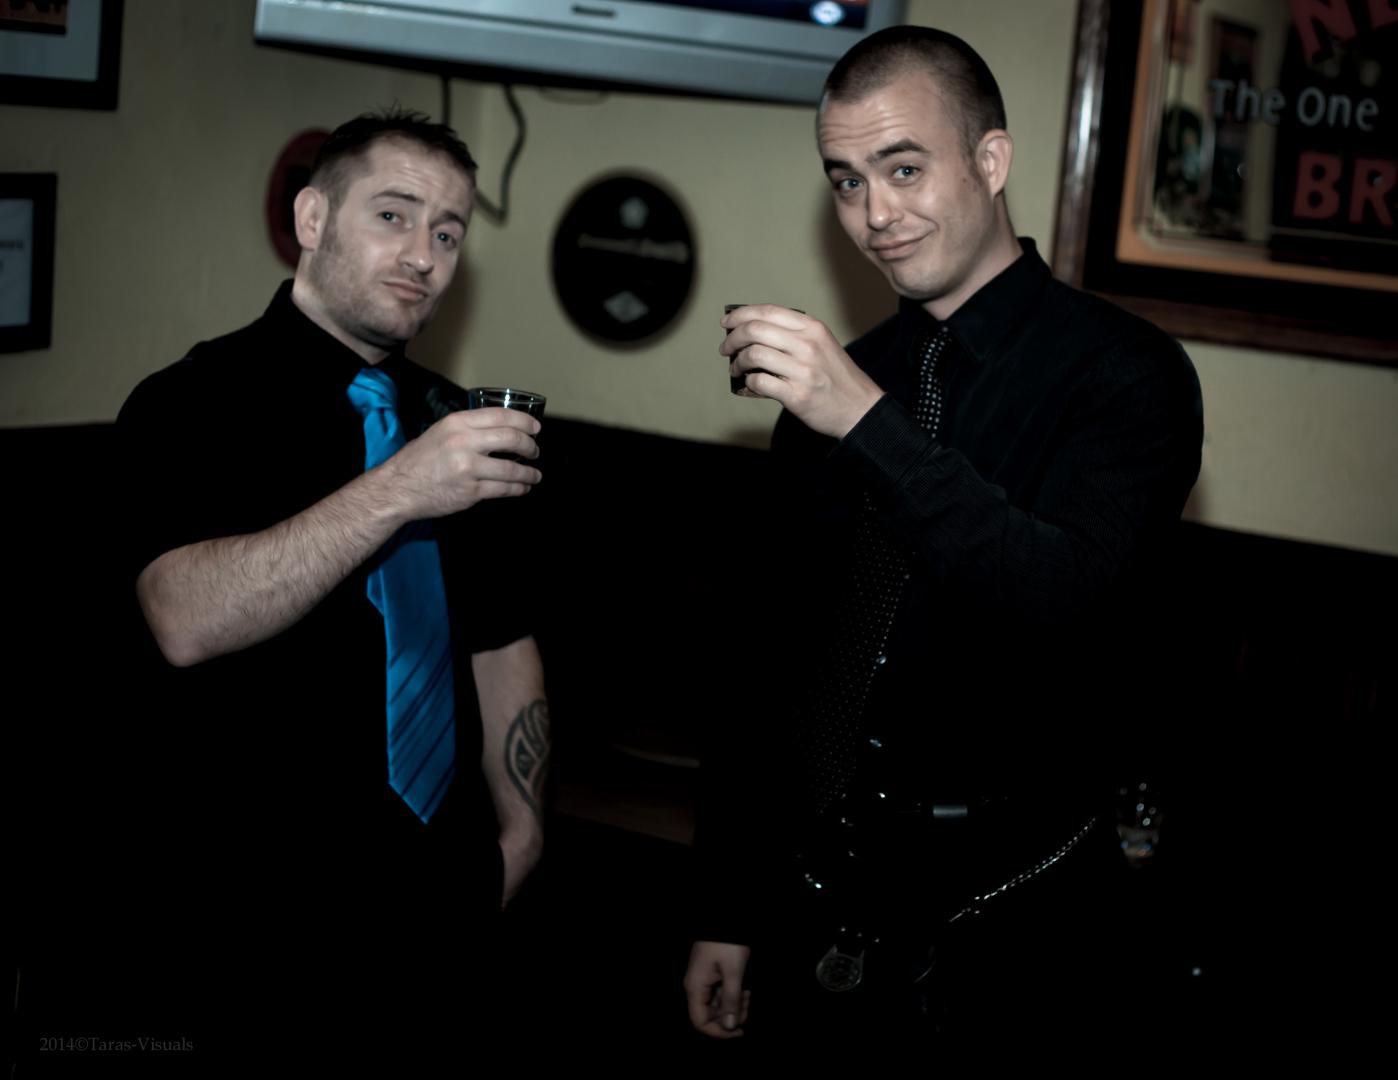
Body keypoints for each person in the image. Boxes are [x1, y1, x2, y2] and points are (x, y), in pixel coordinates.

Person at [685, 26, 1203, 1051]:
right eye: (846, 181)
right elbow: (769, 665)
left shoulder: (1124, 374)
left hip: (1023, 923)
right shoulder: (838, 383)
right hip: (818, 902)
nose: (874, 214)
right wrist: (726, 904)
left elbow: (1062, 598)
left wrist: (866, 423)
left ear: (990, 160)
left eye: (904, 168)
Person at [111, 109, 550, 1049]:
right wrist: (399, 488)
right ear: (313, 219)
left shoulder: (454, 418)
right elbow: (181, 619)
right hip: (252, 916)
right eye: (393, 216)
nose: (423, 255)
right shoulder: (189, 403)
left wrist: (520, 831)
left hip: (440, 901)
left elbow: (501, 638)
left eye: (448, 233)